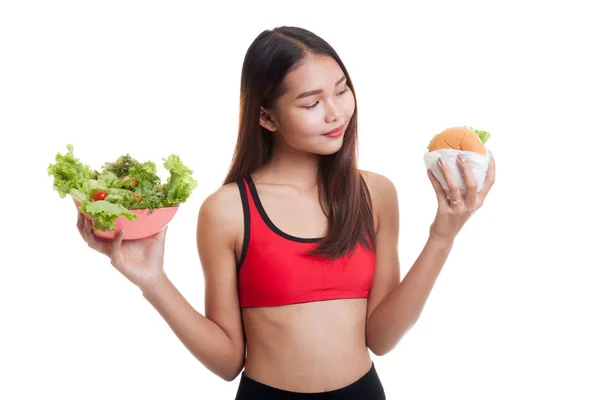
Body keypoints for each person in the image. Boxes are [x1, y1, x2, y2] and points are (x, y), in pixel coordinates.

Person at [76, 26, 496, 399]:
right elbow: (227, 363)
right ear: (266, 116)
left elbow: (381, 338)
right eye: (311, 103)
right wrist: (154, 282)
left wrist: (443, 235)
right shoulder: (227, 211)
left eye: (342, 89)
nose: (336, 112)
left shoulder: (375, 193)